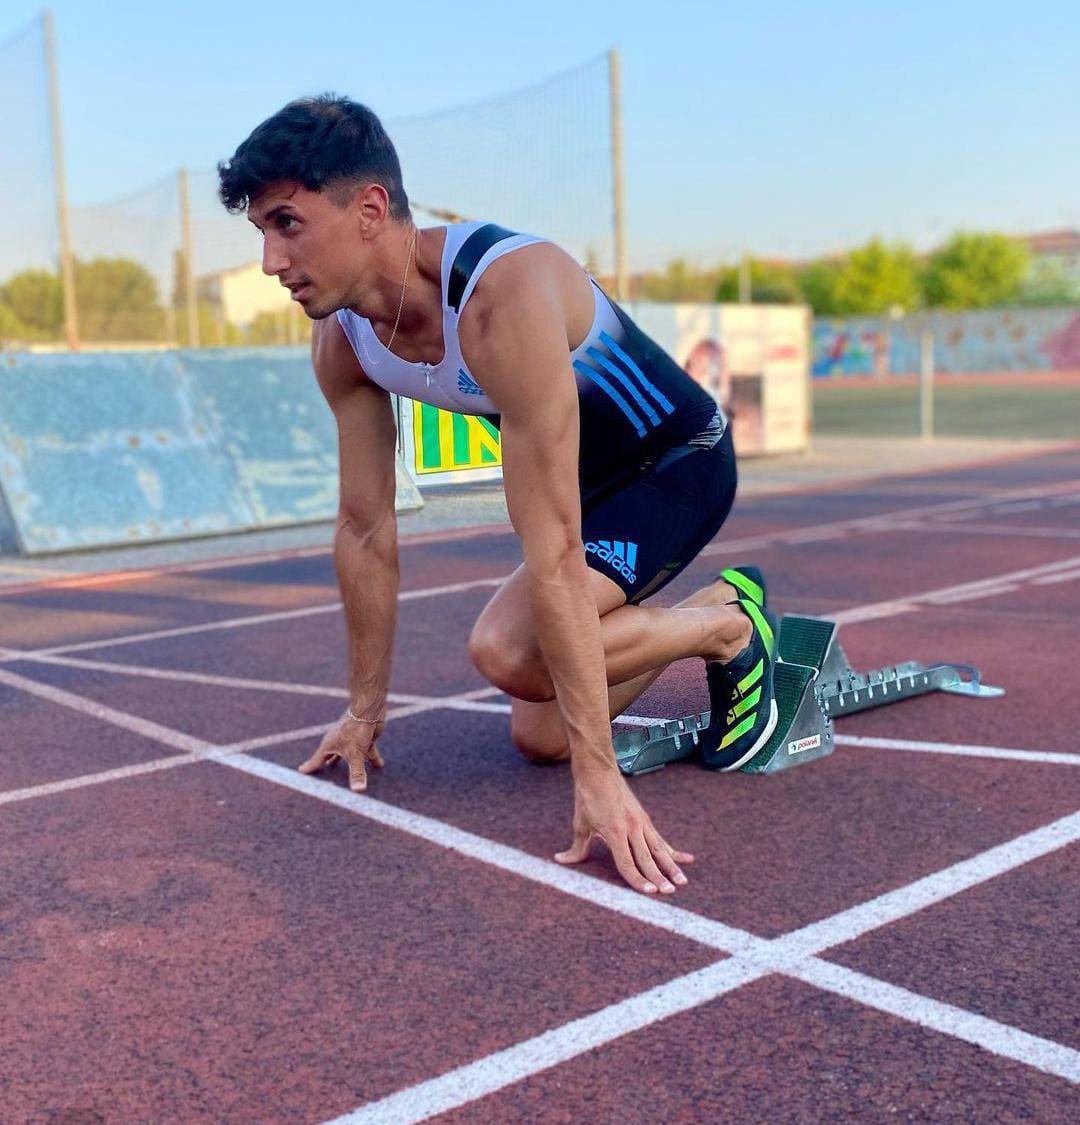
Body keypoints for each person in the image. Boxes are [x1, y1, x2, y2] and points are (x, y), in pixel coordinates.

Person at [218, 95, 779, 897]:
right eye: (261, 233)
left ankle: (729, 631)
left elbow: (552, 547)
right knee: (541, 735)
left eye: (287, 224)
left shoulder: (500, 294)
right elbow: (365, 528)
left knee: (509, 651)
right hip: (586, 483)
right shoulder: (342, 340)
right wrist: (365, 711)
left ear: (369, 209)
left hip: (675, 465)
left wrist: (600, 777)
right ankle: (720, 608)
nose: (271, 260)